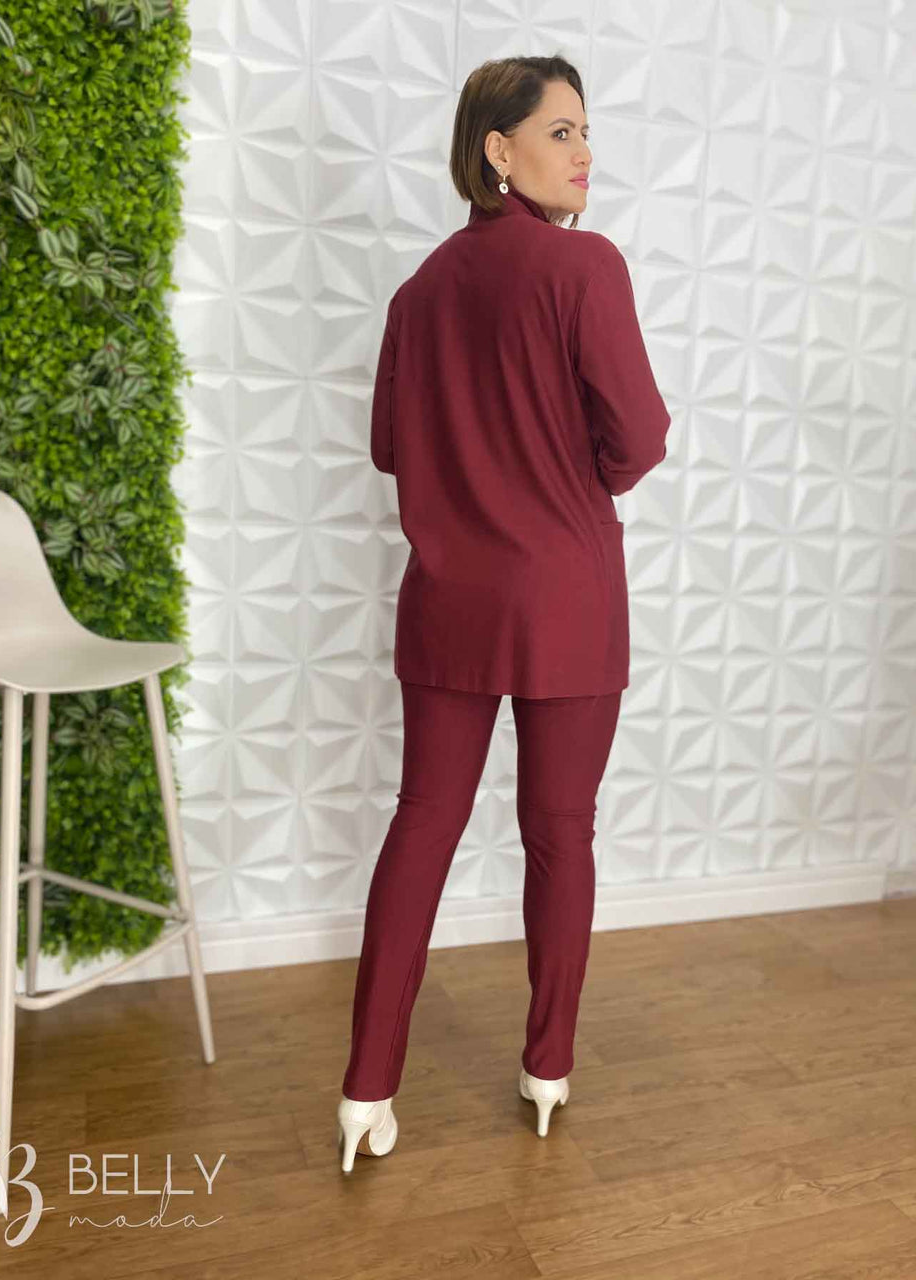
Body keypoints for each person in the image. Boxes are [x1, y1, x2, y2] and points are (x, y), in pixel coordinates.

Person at [336, 54, 671, 1173]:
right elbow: (641, 438)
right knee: (560, 832)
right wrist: (568, 475)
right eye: (561, 131)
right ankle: (547, 1066)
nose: (585, 152)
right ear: (498, 148)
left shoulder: (419, 292)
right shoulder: (585, 268)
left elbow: (392, 450)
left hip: (448, 599)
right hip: (566, 595)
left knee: (421, 824)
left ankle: (366, 1088)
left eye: (586, 131)